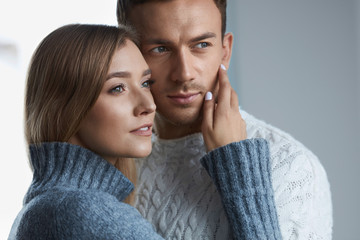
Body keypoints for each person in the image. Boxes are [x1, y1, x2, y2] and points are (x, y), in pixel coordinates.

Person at [8, 23, 282, 239]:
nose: (148, 105)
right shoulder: (81, 212)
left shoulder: (44, 206)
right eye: (117, 88)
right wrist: (236, 165)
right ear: (66, 106)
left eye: (146, 83)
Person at [116, 0, 333, 239]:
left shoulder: (289, 164)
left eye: (201, 45)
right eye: (160, 49)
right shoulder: (114, 156)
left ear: (225, 51)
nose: (184, 73)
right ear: (129, 55)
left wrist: (236, 165)